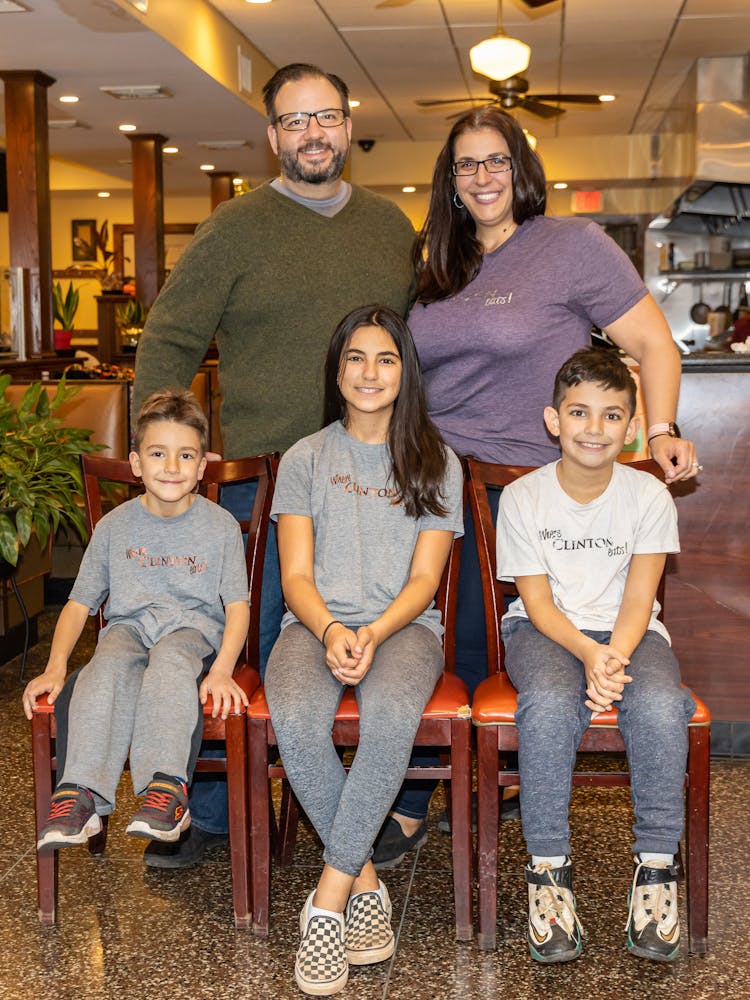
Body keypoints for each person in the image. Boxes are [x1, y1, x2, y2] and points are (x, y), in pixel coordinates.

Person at [373, 104, 701, 868]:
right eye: (466, 165)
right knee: (431, 641)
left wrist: (657, 432)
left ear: (522, 171)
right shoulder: (437, 261)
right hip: (435, 484)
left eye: (496, 161)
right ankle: (421, 790)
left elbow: (654, 342)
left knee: (502, 643)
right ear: (450, 183)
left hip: (530, 488)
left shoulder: (571, 246)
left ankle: (505, 779)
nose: (483, 177)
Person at [123, 62, 415, 868]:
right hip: (263, 477)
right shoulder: (234, 229)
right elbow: (170, 340)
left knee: (380, 634)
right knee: (242, 645)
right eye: (294, 121)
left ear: (348, 124)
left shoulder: (392, 227)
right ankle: (210, 809)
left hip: (377, 483)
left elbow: (413, 349)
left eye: (325, 117)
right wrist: (164, 449)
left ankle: (370, 800)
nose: (312, 133)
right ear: (272, 136)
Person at [263, 305, 463, 996]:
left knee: (387, 725)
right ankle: (367, 883)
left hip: (405, 629)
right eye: (356, 357)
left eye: (385, 358)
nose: (370, 372)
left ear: (405, 371)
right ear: (337, 369)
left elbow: (425, 579)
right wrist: (329, 630)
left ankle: (327, 901)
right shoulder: (304, 458)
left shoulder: (438, 460)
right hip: (312, 625)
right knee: (293, 717)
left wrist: (375, 633)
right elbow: (294, 576)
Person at [496, 347, 695, 964]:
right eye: (579, 412)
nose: (594, 428)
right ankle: (549, 874)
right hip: (543, 631)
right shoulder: (525, 498)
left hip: (630, 635)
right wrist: (588, 653)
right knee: (551, 704)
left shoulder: (649, 496)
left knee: (662, 705)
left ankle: (657, 871)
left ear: (632, 426)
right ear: (554, 419)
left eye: (612, 416)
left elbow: (640, 599)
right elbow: (537, 600)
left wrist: (613, 656)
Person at [22, 389, 250, 850]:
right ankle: (80, 793)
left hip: (192, 632)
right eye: (158, 454)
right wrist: (55, 665)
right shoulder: (114, 526)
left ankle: (164, 789)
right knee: (105, 663)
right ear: (136, 463)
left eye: (185, 455)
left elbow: (237, 606)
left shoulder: (221, 525)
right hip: (130, 629)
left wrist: (224, 667)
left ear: (202, 466)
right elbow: (79, 603)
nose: (171, 467)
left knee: (169, 660)